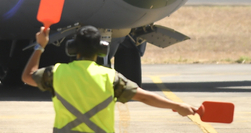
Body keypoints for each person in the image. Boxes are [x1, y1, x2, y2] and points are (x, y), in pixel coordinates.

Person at [22, 25, 197, 133]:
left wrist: (40, 46)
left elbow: (28, 76)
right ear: (101, 50)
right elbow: (144, 96)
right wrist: (177, 106)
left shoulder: (58, 73)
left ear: (73, 48)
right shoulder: (110, 78)